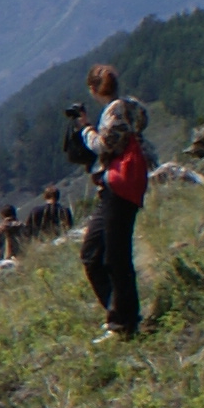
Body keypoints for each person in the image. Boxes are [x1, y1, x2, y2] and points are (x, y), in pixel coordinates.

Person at [78, 96, 150, 339]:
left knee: (115, 258)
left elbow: (102, 145)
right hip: (115, 189)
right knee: (94, 254)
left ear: (94, 89)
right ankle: (119, 313)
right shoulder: (132, 110)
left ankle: (124, 321)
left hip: (119, 188)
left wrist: (86, 130)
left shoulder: (116, 113)